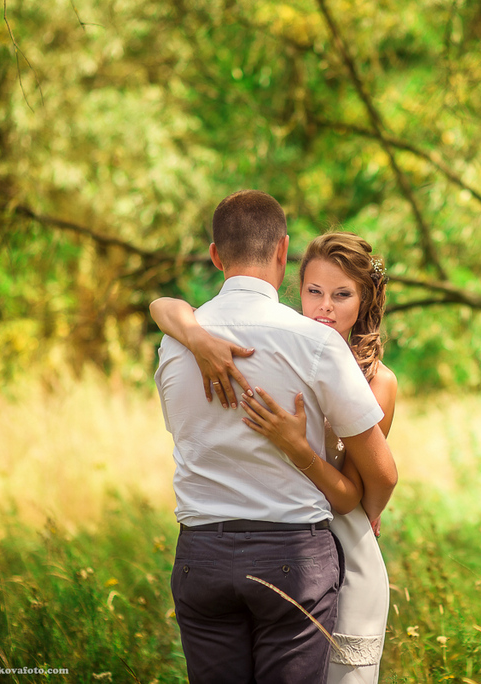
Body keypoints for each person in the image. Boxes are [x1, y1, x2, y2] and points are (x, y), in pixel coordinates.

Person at [153, 191, 397, 684]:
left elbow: (370, 486)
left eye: (342, 294)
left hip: (204, 550)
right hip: (294, 552)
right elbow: (166, 307)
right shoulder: (307, 345)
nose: (324, 307)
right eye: (315, 291)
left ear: (215, 255)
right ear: (285, 258)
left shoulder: (175, 340)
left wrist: (195, 334)